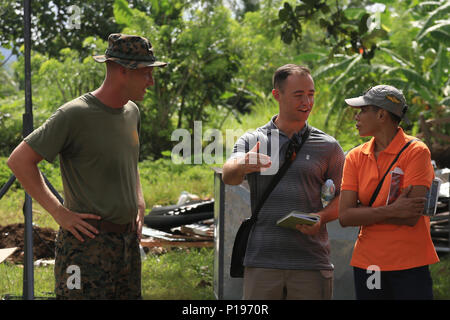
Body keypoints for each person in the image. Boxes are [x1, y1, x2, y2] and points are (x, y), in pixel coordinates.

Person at [7, 33, 167, 299]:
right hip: (86, 247)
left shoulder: (132, 113)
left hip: (126, 245)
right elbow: (20, 160)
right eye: (146, 73)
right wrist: (59, 213)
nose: (151, 81)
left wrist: (138, 200)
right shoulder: (74, 115)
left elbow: (130, 161)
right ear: (121, 71)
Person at [222, 64, 345, 300]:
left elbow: (345, 197)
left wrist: (321, 217)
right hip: (262, 260)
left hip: (310, 260)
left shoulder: (328, 146)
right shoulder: (253, 139)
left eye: (311, 94)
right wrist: (242, 165)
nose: (307, 102)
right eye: (299, 95)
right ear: (276, 95)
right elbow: (229, 175)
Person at [339, 85, 439, 300]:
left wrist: (365, 212)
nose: (356, 116)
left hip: (410, 263)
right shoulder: (355, 157)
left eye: (362, 110)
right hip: (369, 264)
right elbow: (345, 216)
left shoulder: (416, 152)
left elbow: (410, 216)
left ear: (382, 114)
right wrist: (392, 210)